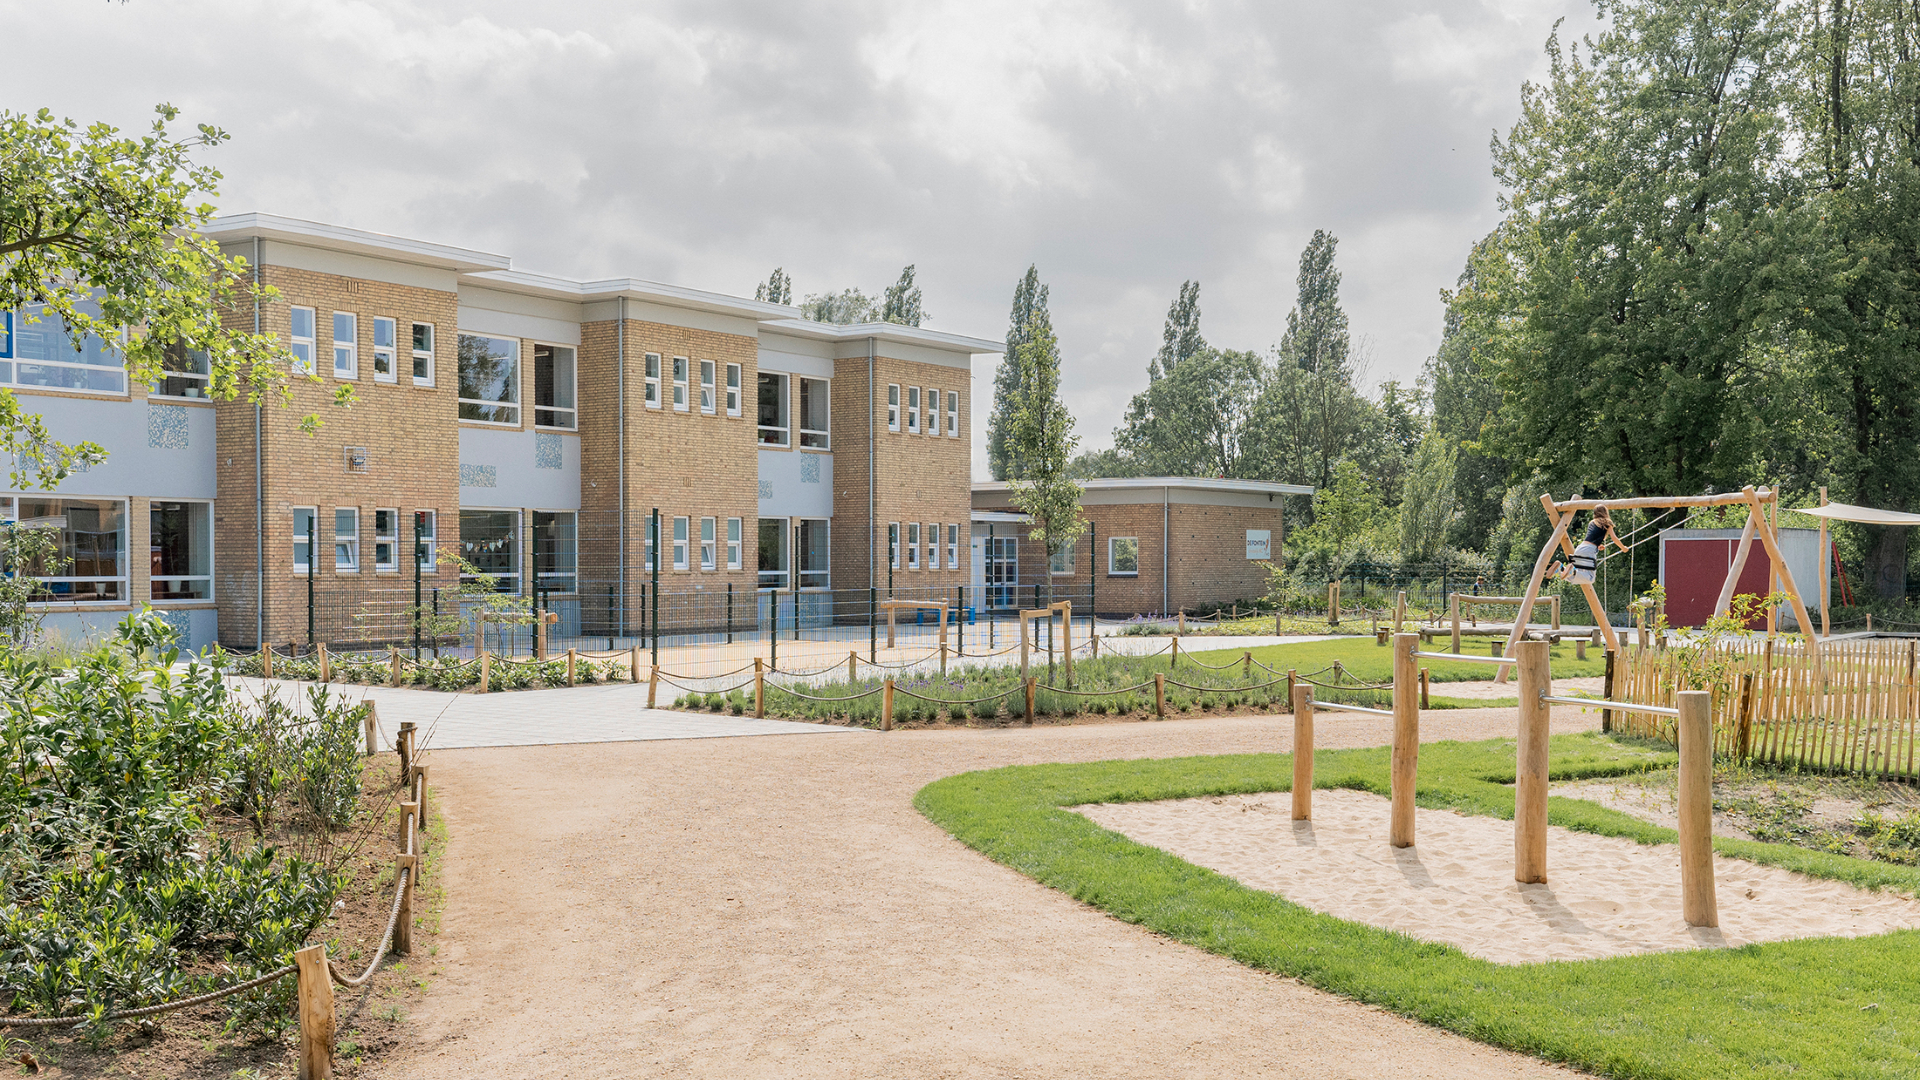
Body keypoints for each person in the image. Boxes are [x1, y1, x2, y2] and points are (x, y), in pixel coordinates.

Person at [1555, 505, 1627, 584]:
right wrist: (1623, 548)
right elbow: (1614, 538)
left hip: (1580, 548)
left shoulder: (1592, 522)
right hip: (1589, 550)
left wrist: (1597, 546)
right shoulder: (1607, 522)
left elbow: (1592, 537)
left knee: (1573, 577)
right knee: (1590, 578)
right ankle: (1572, 571)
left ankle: (1561, 569)